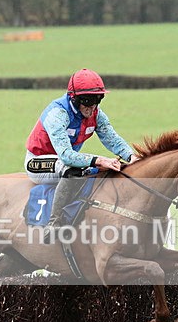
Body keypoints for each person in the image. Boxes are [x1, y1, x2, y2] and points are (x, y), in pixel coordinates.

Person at [24, 68, 139, 240]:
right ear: (74, 98)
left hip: (64, 160)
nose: (92, 106)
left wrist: (132, 158)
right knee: (72, 170)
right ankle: (54, 224)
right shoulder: (58, 114)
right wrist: (99, 160)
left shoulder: (96, 114)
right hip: (38, 162)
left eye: (98, 99)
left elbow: (112, 139)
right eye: (87, 100)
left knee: (108, 169)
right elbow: (66, 155)